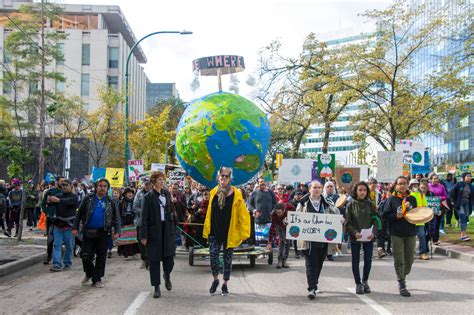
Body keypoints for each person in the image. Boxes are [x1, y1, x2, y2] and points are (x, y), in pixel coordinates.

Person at [203, 167, 251, 296]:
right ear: (218, 177)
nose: (223, 178)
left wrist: (244, 231)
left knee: (227, 259)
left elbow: (243, 215)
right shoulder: (213, 192)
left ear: (230, 179)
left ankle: (225, 284)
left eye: (226, 176)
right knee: (213, 258)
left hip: (229, 233)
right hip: (214, 231)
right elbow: (209, 212)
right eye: (222, 176)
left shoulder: (236, 194)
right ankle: (215, 280)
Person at [73, 178, 121, 288]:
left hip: (104, 233)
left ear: (107, 188)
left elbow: (117, 218)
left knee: (101, 257)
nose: (102, 188)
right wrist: (75, 228)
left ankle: (97, 279)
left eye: (105, 186)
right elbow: (79, 214)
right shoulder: (87, 199)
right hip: (88, 233)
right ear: (96, 187)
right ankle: (89, 273)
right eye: (100, 186)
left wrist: (117, 232)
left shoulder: (111, 202)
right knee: (85, 255)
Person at [296, 180, 340, 300]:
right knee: (311, 263)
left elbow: (336, 213)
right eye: (314, 187)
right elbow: (296, 217)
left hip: (323, 240)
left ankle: (314, 283)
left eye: (319, 187)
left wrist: (339, 218)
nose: (317, 189)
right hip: (308, 240)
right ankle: (311, 288)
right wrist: (289, 222)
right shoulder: (303, 203)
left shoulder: (327, 202)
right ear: (310, 189)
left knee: (319, 262)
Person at [140, 171, 177, 298]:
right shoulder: (148, 197)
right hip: (154, 231)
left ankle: (167, 275)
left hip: (167, 229)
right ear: (154, 181)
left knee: (169, 258)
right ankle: (156, 287)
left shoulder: (167, 193)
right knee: (154, 260)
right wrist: (143, 235)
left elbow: (171, 210)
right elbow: (144, 217)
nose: (162, 181)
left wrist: (175, 225)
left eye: (163, 179)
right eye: (159, 179)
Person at [382, 176, 417, 297]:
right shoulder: (392, 199)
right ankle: (401, 282)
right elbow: (385, 215)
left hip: (410, 232)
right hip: (396, 233)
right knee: (399, 259)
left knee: (410, 259)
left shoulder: (412, 199)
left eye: (404, 183)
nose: (402, 186)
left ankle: (403, 274)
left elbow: (416, 214)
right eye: (400, 184)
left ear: (408, 185)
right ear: (396, 186)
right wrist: (395, 216)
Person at [345, 181, 378, 295]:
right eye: (360, 190)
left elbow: (376, 219)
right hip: (356, 237)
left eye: (364, 190)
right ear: (355, 191)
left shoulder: (370, 204)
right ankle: (358, 283)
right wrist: (354, 233)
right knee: (356, 260)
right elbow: (347, 223)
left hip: (368, 236)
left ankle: (365, 281)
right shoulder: (350, 204)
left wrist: (373, 232)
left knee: (368, 260)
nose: (362, 192)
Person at [48, 179, 78, 272]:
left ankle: (67, 263)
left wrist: (58, 200)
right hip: (58, 225)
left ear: (71, 186)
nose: (64, 186)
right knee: (57, 245)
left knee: (69, 246)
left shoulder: (74, 197)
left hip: (69, 226)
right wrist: (49, 199)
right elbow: (49, 204)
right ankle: (57, 264)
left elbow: (68, 201)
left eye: (66, 185)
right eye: (63, 185)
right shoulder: (58, 196)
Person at [41, 177, 64, 264]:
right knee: (50, 238)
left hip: (61, 218)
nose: (62, 183)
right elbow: (43, 204)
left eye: (64, 181)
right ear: (57, 182)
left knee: (63, 238)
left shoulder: (65, 192)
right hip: (51, 218)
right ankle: (49, 255)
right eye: (61, 181)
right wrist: (47, 212)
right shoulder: (50, 192)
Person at [133, 179, 153, 269]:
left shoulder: (154, 193)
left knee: (151, 241)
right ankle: (144, 259)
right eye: (145, 184)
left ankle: (150, 259)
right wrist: (144, 212)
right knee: (141, 241)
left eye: (149, 184)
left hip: (152, 222)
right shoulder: (139, 194)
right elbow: (135, 207)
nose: (147, 186)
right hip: (140, 222)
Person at [410, 179, 430, 260]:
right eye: (413, 184)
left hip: (420, 219)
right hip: (410, 219)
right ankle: (410, 253)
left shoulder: (421, 195)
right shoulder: (408, 195)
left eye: (416, 184)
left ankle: (422, 252)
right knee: (411, 237)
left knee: (422, 235)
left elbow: (425, 206)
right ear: (410, 185)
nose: (415, 186)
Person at [118, 187, 139, 259]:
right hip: (124, 220)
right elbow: (119, 213)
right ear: (125, 195)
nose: (130, 194)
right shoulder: (121, 202)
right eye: (128, 193)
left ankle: (134, 252)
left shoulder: (135, 201)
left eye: (131, 193)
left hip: (133, 220)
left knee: (133, 237)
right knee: (126, 237)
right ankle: (126, 253)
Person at [450, 172, 473, 241]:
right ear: (463, 177)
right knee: (463, 217)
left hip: (467, 204)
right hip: (459, 204)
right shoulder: (459, 184)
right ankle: (462, 235)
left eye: (470, 176)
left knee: (465, 218)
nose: (469, 177)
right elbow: (452, 192)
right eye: (467, 176)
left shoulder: (471, 186)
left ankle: (464, 232)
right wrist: (452, 201)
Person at [267, 203, 290, 269]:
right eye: (277, 212)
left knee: (288, 242)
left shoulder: (289, 209)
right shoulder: (274, 215)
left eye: (279, 212)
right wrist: (269, 242)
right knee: (282, 241)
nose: (278, 214)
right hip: (279, 226)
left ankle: (284, 260)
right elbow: (272, 228)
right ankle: (279, 259)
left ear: (284, 210)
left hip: (289, 225)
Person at [428, 174, 448, 244]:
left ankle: (435, 239)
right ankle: (428, 238)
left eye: (437, 178)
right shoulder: (428, 186)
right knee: (431, 223)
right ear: (430, 179)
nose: (436, 180)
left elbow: (445, 196)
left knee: (437, 223)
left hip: (439, 207)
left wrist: (439, 198)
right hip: (430, 207)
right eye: (434, 178)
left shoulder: (441, 186)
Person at [323, 181, 340, 261]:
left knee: (331, 236)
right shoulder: (321, 196)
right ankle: (323, 253)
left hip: (333, 219)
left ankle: (330, 254)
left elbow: (340, 208)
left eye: (331, 186)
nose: (329, 188)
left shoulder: (337, 197)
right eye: (328, 186)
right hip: (323, 220)